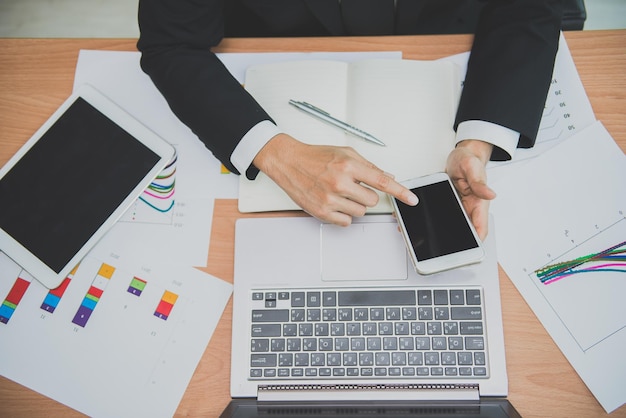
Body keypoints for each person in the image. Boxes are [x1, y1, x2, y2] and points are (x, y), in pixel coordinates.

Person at [137, 0, 563, 240]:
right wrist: (275, 154)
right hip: (277, 39)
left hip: (451, 31)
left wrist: (478, 139)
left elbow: (528, 7)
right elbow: (170, 43)